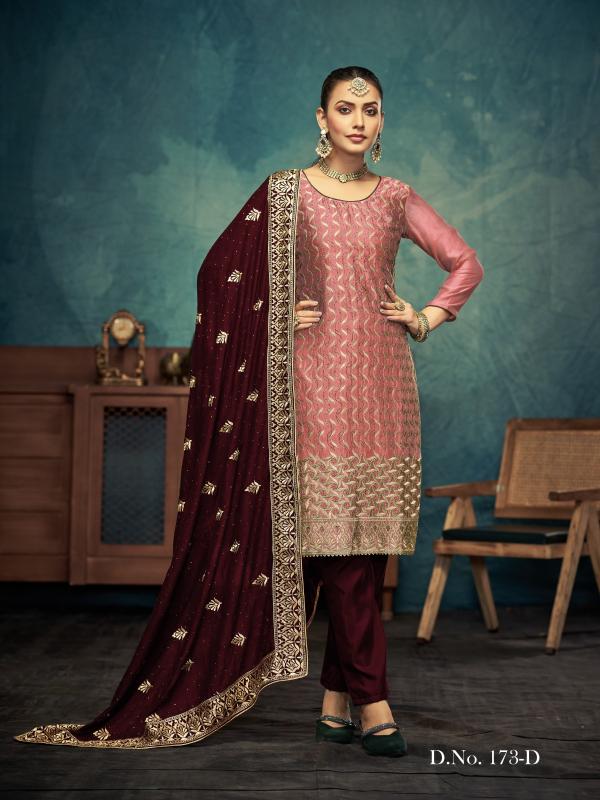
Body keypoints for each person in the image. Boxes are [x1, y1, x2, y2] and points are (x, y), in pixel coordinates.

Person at [14, 66, 483, 757]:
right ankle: (375, 703)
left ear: (382, 121)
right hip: (307, 388)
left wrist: (425, 317)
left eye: (371, 110)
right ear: (321, 118)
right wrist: (269, 315)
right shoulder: (285, 192)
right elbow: (218, 274)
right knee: (332, 551)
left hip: (384, 389)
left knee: (361, 553)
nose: (358, 120)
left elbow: (465, 262)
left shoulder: (396, 198)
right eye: (345, 108)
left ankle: (335, 704)